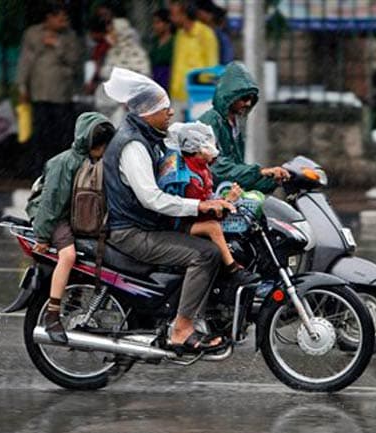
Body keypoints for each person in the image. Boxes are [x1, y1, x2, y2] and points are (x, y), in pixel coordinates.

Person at [102, 67, 234, 353]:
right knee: (205, 254)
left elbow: (183, 135)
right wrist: (200, 205)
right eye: (165, 109)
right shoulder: (133, 146)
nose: (171, 113)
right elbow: (152, 198)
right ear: (147, 113)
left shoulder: (149, 135)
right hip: (132, 232)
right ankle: (182, 329)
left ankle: (191, 313)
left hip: (146, 225)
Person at [26, 112, 115, 343]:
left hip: (72, 213)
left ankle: (74, 296)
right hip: (54, 216)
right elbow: (51, 202)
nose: (105, 152)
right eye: (102, 147)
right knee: (68, 255)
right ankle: (52, 314)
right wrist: (43, 237)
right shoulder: (64, 163)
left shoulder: (92, 161)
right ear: (91, 144)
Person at [162, 122, 257, 284]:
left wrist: (224, 200)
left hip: (191, 218)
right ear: (196, 150)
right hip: (180, 224)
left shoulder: (200, 167)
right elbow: (202, 210)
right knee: (213, 227)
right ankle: (232, 269)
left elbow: (208, 198)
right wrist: (227, 202)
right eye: (208, 146)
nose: (213, 149)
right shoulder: (191, 178)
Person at [199, 62, 289, 193]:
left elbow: (237, 172)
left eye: (252, 99)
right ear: (229, 96)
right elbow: (215, 167)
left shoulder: (235, 125)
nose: (248, 103)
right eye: (244, 98)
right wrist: (259, 172)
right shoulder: (210, 122)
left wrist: (271, 179)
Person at [16, 1, 82, 178]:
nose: (64, 22)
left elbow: (75, 61)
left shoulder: (70, 36)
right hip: (39, 93)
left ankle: (60, 172)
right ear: (49, 18)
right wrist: (22, 87)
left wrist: (58, 45)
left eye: (66, 19)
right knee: (39, 135)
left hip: (62, 95)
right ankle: (38, 171)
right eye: (60, 19)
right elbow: (25, 61)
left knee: (61, 136)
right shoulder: (32, 34)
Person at [168, 0, 219, 120]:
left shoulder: (205, 34)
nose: (171, 18)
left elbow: (211, 65)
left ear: (184, 14)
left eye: (174, 14)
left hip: (197, 93)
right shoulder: (180, 35)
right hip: (177, 93)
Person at [194, 0, 234, 65]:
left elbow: (226, 64)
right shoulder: (198, 35)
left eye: (199, 14)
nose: (197, 18)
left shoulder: (221, 38)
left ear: (210, 15)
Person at [149, 9, 175, 91]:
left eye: (158, 23)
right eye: (154, 23)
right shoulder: (155, 42)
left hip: (169, 82)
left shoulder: (174, 42)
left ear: (167, 24)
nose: (155, 26)